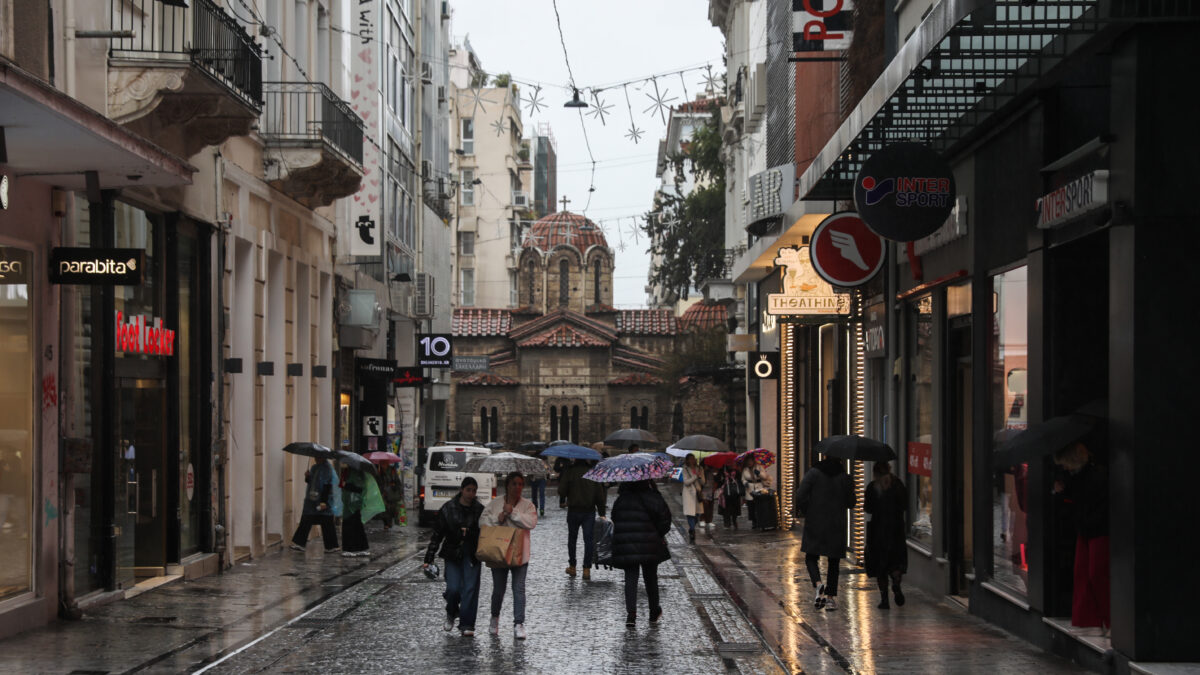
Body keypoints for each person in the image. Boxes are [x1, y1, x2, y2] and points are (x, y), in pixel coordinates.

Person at [1054, 441, 1109, 630]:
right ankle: (1088, 619)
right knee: (1082, 573)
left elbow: (1095, 504)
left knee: (1096, 574)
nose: (1064, 468)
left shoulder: (1096, 475)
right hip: (1085, 530)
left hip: (1098, 530)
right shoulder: (1074, 477)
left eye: (1065, 463)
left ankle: (1105, 619)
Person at [424, 476, 484, 637]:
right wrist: (429, 557)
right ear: (462, 490)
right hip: (452, 552)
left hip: (471, 553)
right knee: (453, 588)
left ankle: (467, 623)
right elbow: (437, 534)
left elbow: (485, 532)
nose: (471, 494)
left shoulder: (479, 510)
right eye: (468, 490)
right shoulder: (448, 508)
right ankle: (451, 611)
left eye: (474, 490)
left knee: (470, 589)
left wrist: (470, 533)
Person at [481, 472, 537, 639]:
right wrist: (497, 519)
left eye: (520, 484)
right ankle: (494, 617)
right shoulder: (496, 503)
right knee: (499, 589)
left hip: (520, 554)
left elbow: (531, 522)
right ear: (507, 485)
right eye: (514, 484)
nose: (517, 487)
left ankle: (519, 623)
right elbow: (482, 521)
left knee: (518, 588)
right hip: (499, 552)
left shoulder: (527, 505)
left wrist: (513, 513)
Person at [611, 479, 672, 627]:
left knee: (630, 578)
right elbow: (665, 519)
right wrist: (657, 533)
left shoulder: (622, 499)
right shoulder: (653, 497)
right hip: (650, 544)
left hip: (627, 544)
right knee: (650, 578)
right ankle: (653, 611)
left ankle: (631, 615)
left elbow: (614, 517)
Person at [797, 457, 855, 611]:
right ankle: (830, 599)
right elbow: (851, 503)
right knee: (834, 562)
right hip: (836, 524)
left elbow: (800, 495)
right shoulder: (844, 477)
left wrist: (808, 511)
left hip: (815, 521)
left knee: (811, 557)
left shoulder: (814, 473)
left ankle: (818, 583)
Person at [864, 461, 908, 609]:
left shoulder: (872, 487)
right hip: (896, 531)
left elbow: (868, 508)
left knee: (880, 566)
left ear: (875, 473)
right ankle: (896, 583)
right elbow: (905, 504)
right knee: (895, 562)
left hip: (878, 531)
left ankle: (884, 600)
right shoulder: (897, 484)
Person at [557, 458, 607, 580]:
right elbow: (599, 495)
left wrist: (568, 492)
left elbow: (561, 491)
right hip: (589, 511)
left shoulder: (570, 472)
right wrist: (602, 513)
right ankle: (586, 569)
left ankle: (572, 566)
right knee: (588, 540)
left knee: (572, 539)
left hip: (573, 510)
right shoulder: (592, 472)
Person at [290, 458, 339, 552]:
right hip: (312, 501)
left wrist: (324, 501)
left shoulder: (327, 469)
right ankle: (300, 543)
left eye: (318, 457)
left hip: (323, 500)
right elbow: (312, 482)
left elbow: (327, 486)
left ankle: (331, 546)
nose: (316, 458)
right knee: (306, 520)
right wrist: (307, 477)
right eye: (316, 457)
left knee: (327, 523)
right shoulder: (314, 468)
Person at [340, 466, 370, 557]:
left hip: (354, 504)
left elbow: (359, 488)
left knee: (351, 525)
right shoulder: (347, 472)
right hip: (349, 503)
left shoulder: (357, 473)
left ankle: (350, 548)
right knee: (356, 525)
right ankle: (360, 548)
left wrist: (346, 485)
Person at [680, 454, 705, 542]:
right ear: (687, 460)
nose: (692, 460)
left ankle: (691, 528)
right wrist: (695, 476)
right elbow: (686, 482)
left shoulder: (700, 468)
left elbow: (703, 482)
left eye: (693, 458)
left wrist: (700, 476)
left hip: (697, 493)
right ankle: (692, 530)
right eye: (690, 459)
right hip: (688, 493)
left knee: (697, 514)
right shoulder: (685, 468)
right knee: (690, 513)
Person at [716, 463, 743, 528]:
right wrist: (723, 479)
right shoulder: (722, 470)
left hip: (735, 491)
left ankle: (734, 520)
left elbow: (740, 480)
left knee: (735, 506)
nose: (731, 463)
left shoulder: (736, 471)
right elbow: (718, 480)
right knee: (725, 507)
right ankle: (726, 522)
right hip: (725, 491)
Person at [742, 458, 764, 528]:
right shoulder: (745, 469)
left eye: (750, 461)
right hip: (749, 489)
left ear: (753, 461)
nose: (749, 463)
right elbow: (743, 479)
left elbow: (765, 476)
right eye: (748, 461)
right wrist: (745, 483)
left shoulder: (759, 467)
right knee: (751, 506)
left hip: (758, 487)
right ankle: (754, 521)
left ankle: (759, 520)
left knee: (759, 505)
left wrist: (759, 473)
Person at [700, 464, 717, 533]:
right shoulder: (702, 471)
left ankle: (709, 520)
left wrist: (716, 473)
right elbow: (701, 481)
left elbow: (717, 479)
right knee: (704, 505)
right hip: (704, 490)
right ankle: (702, 519)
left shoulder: (714, 470)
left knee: (711, 505)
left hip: (711, 489)